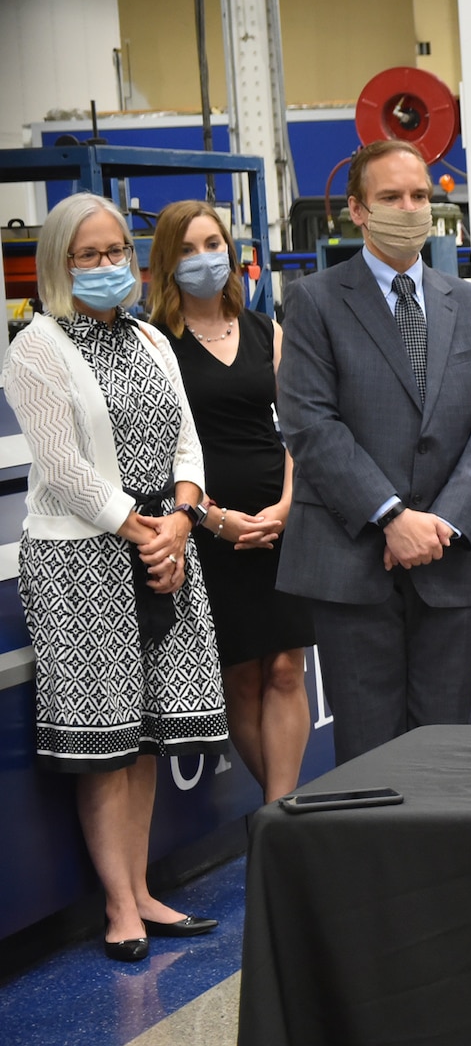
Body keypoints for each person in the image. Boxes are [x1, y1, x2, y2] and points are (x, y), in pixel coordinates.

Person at [1, 192, 225, 960]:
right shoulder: (36, 347)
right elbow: (63, 470)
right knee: (105, 740)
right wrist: (143, 530)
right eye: (88, 256)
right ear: (61, 265)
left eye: (115, 253)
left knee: (147, 740)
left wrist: (180, 523)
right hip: (80, 563)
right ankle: (119, 906)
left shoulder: (151, 340)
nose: (106, 267)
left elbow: (187, 444)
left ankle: (145, 888)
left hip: (164, 547)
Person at [276, 138, 471, 766]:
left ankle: (442, 867)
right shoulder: (314, 301)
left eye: (419, 196)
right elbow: (310, 424)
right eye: (390, 197)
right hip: (351, 558)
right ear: (356, 210)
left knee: (446, 746)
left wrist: (439, 523)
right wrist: (390, 515)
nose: (408, 209)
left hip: (449, 556)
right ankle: (372, 869)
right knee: (370, 751)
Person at [147, 199, 313, 802]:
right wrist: (211, 518)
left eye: (212, 244)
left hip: (278, 521)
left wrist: (289, 505)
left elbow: (298, 425)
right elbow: (154, 445)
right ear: (166, 261)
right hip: (206, 528)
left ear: (233, 253)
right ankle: (282, 814)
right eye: (187, 249)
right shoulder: (153, 343)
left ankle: (280, 812)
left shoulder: (267, 331)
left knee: (286, 668)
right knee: (241, 677)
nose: (203, 259)